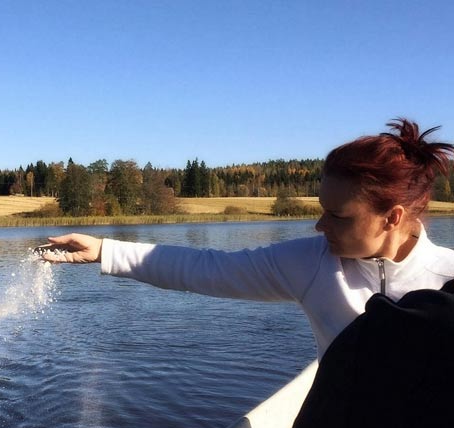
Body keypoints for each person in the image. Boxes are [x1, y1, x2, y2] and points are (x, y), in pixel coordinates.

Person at [39, 118, 454, 358]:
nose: (319, 226)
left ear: (392, 217)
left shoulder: (447, 280)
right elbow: (209, 270)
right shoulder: (312, 263)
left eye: (336, 215)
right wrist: (104, 251)